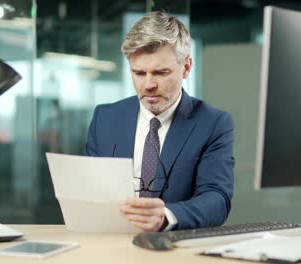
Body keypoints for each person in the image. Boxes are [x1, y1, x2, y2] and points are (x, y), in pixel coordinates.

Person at [85, 11, 234, 231]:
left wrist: (166, 216)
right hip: (110, 241)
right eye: (139, 73)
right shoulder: (104, 118)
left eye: (160, 72)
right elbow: (88, 189)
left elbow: (217, 199)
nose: (148, 85)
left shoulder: (213, 123)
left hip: (172, 247)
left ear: (186, 67)